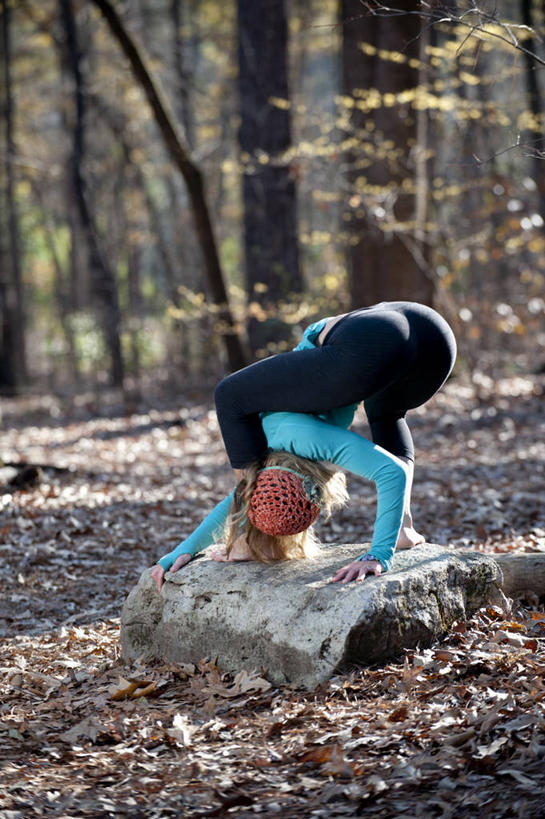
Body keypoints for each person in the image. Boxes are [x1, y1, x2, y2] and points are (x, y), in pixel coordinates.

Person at [151, 301, 456, 593]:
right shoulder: (286, 448)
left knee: (229, 395)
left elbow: (245, 493)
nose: (252, 495)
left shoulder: (303, 444)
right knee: (386, 414)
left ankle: (248, 540)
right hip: (431, 340)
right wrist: (186, 549)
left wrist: (379, 555)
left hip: (397, 345)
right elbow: (244, 495)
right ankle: (402, 527)